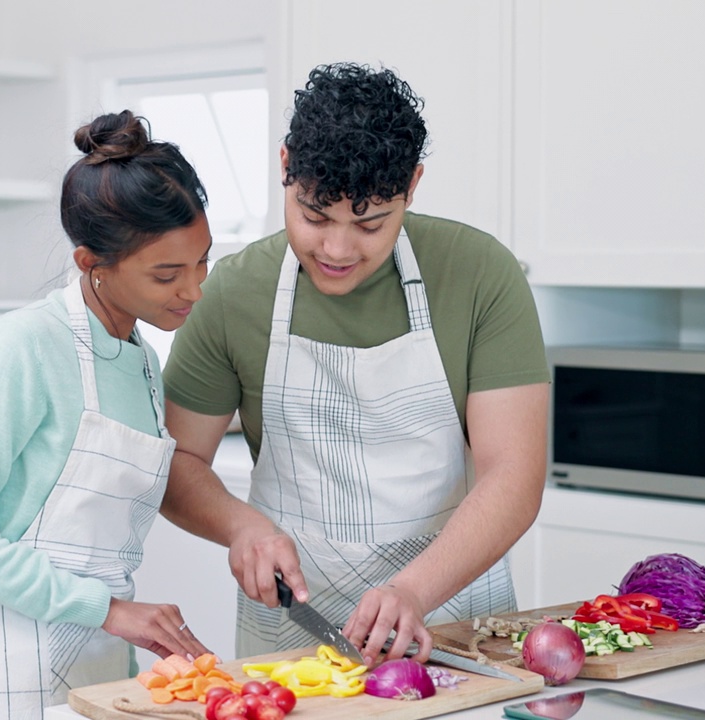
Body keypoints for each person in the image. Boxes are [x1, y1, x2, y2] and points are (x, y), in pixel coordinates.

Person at [160, 62, 551, 666]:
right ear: (285, 165)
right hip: (293, 635)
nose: (337, 250)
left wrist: (413, 591)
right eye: (314, 216)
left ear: (413, 185)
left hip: (454, 621)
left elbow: (514, 476)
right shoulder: (233, 293)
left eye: (370, 223)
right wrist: (240, 526)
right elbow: (179, 462)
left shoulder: (479, 275)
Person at [0, 110, 214, 720]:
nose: (194, 290)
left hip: (102, 672)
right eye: (167, 274)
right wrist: (107, 608)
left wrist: (123, 622)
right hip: (4, 671)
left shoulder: (144, 361)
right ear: (90, 263)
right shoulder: (24, 346)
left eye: (204, 261)